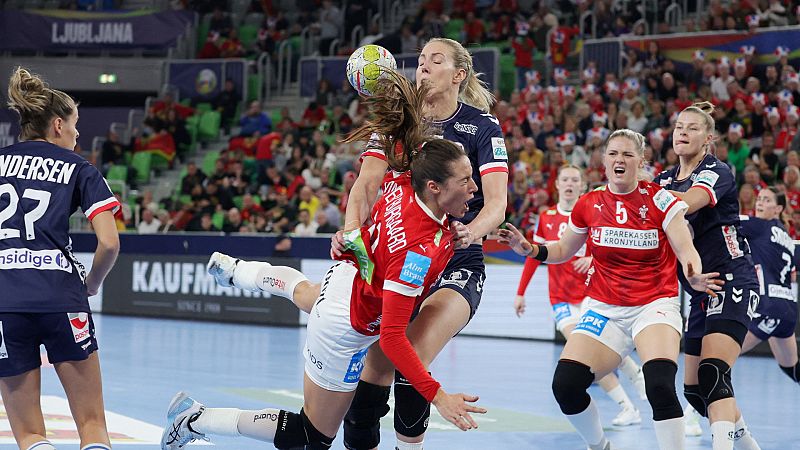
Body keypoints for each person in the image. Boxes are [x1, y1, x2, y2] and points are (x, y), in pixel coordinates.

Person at [161, 72, 484, 450]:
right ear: (434, 186)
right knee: (312, 434)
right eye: (465, 180)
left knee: (309, 294)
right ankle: (195, 419)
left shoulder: (405, 179)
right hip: (343, 326)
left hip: (350, 276)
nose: (474, 187)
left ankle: (240, 271)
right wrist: (438, 396)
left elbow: (381, 177)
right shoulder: (416, 253)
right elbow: (393, 339)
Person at [498, 129, 722, 450]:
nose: (620, 160)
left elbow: (685, 248)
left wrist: (694, 274)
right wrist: (531, 249)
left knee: (659, 385)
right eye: (613, 154)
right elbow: (563, 249)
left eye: (628, 155)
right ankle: (600, 445)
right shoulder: (589, 204)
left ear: (641, 162)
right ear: (603, 161)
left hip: (654, 305)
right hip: (604, 308)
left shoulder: (660, 199)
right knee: (566, 386)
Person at [1, 67, 120, 450]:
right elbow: (110, 243)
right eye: (75, 124)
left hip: (5, 302)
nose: (77, 133)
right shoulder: (80, 169)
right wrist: (92, 285)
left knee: (31, 436)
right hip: (62, 296)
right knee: (92, 426)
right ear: (56, 125)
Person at [654, 102, 762, 450]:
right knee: (696, 393)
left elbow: (687, 202)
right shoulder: (665, 179)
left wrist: (645, 194)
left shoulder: (717, 170)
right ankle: (750, 446)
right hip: (700, 291)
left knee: (714, 374)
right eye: (678, 127)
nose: (682, 133)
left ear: (708, 138)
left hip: (731, 280)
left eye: (692, 128)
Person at [514, 165, 647, 427]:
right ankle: (629, 399)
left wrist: (591, 258)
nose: (570, 184)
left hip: (591, 295)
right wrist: (520, 293)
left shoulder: (590, 211)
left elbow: (611, 247)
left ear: (582, 186)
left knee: (595, 351)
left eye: (575, 180)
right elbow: (534, 256)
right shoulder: (547, 217)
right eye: (565, 179)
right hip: (561, 299)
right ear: (557, 185)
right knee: (585, 354)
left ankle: (634, 382)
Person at [739, 188, 800, 383]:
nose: (759, 203)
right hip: (788, 310)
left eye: (766, 200)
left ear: (778, 208)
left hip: (768, 309)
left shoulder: (758, 227)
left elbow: (724, 219)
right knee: (793, 369)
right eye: (759, 199)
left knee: (719, 357)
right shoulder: (787, 238)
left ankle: (695, 412)